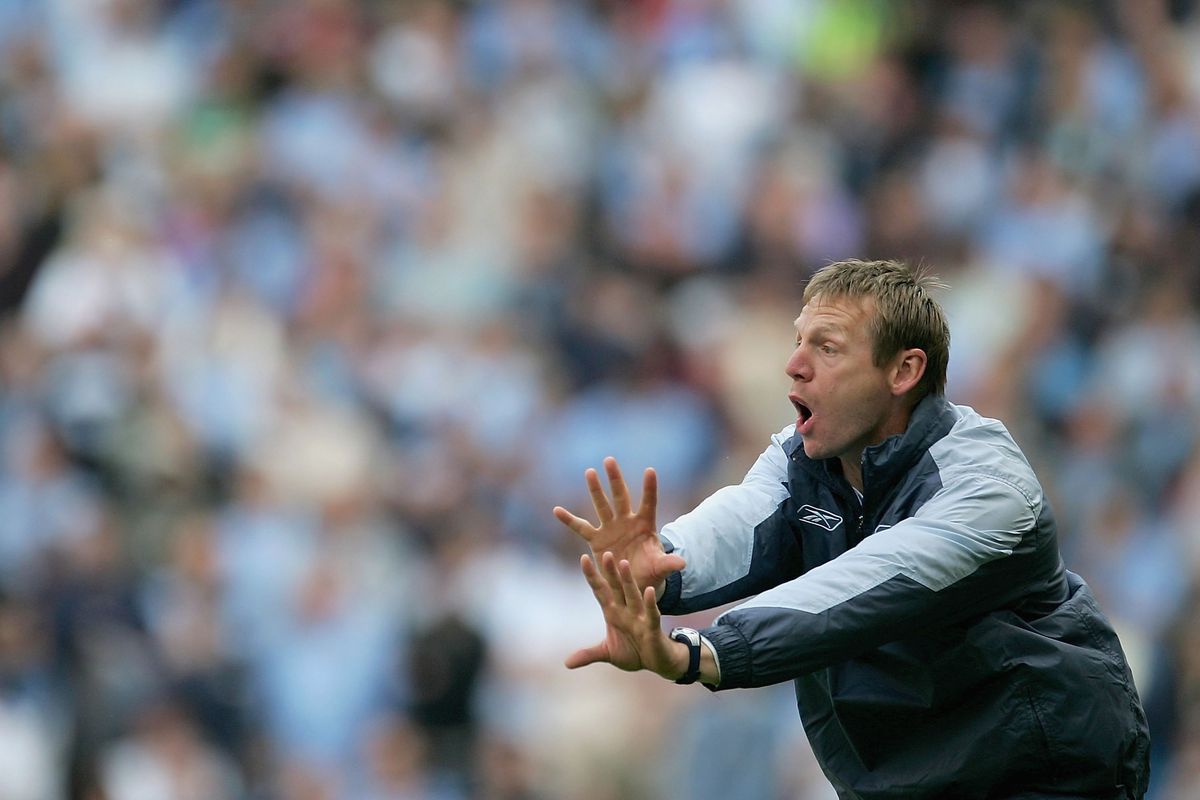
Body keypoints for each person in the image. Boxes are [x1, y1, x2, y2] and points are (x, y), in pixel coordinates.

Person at [553, 259, 1151, 799]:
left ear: (904, 371)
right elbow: (745, 519)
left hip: (1043, 778)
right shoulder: (803, 456)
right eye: (798, 341)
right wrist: (659, 562)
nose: (794, 364)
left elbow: (857, 587)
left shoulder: (987, 484)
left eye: (827, 347)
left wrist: (701, 653)